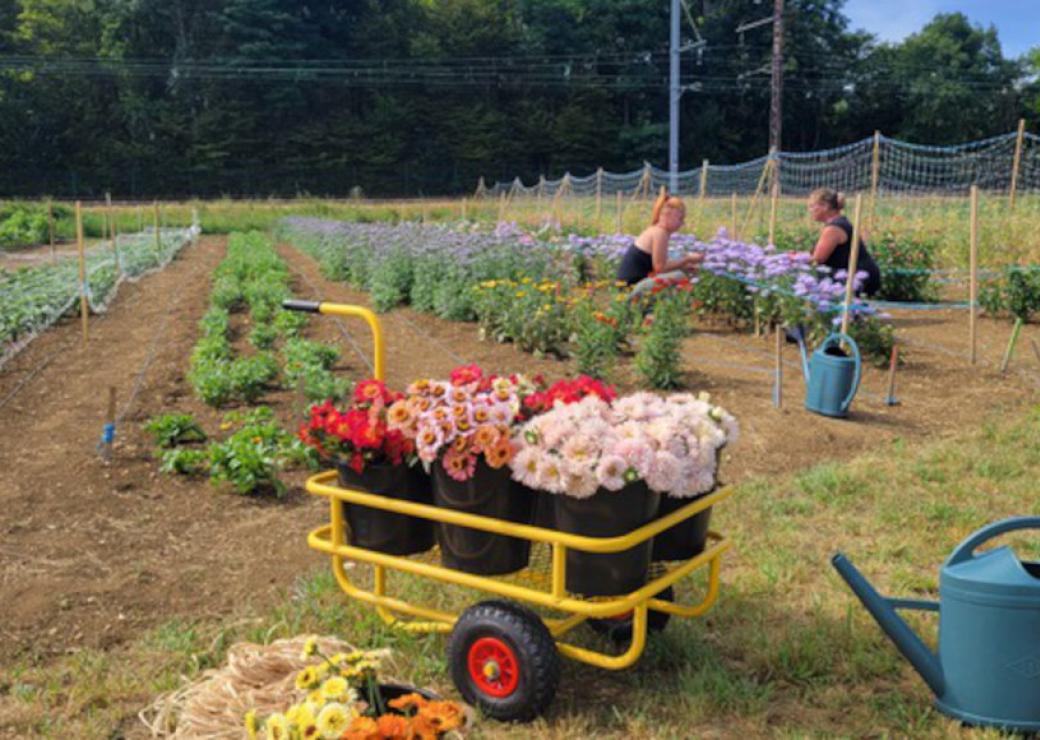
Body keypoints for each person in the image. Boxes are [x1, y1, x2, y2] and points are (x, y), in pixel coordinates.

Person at [617, 192, 703, 298]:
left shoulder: (656, 230)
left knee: (682, 271)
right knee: (679, 275)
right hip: (631, 289)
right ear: (667, 215)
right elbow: (660, 268)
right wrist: (687, 259)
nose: (682, 223)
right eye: (680, 219)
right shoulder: (659, 233)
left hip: (632, 285)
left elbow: (659, 266)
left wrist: (684, 266)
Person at [807, 188, 882, 296]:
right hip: (858, 273)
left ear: (825, 206)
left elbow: (817, 259)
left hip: (856, 277)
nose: (810, 210)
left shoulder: (834, 228)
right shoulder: (839, 223)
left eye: (812, 206)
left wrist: (792, 260)